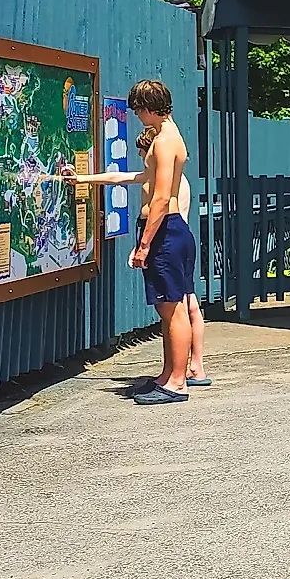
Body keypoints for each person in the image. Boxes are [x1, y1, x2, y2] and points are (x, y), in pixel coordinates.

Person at [67, 79, 201, 403]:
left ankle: (178, 383)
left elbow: (160, 199)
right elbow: (132, 177)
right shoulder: (166, 136)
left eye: (138, 109)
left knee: (173, 309)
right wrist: (84, 178)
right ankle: (168, 375)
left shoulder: (165, 141)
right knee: (169, 307)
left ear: (149, 107)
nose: (137, 115)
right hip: (170, 231)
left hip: (165, 231)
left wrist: (144, 245)